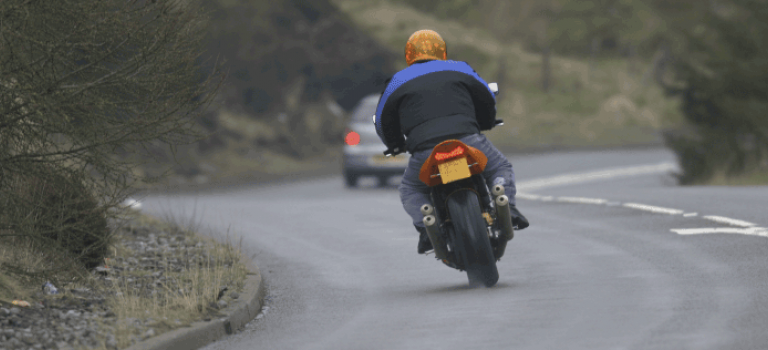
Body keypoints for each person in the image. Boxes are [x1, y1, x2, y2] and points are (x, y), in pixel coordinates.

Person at [374, 29, 529, 254]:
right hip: (468, 139)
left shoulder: (397, 81)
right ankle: (508, 205)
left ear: (409, 55)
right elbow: (485, 96)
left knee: (410, 189)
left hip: (425, 149)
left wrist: (395, 144)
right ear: (442, 51)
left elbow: (382, 120)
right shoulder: (459, 68)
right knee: (499, 167)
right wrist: (485, 122)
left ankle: (426, 229)